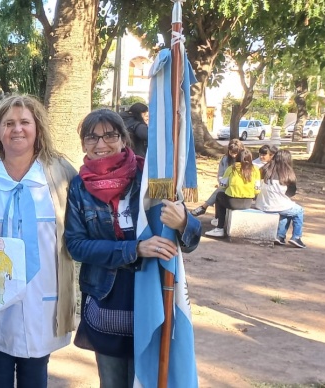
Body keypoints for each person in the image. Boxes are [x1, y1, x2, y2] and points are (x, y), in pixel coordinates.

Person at [64, 109, 201, 387]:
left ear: (124, 139)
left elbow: (190, 239)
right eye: (92, 138)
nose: (101, 145)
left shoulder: (152, 180)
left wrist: (183, 220)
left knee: (150, 378)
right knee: (112, 383)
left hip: (151, 296)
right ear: (83, 145)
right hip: (107, 301)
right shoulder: (79, 187)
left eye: (110, 135)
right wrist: (135, 249)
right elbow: (76, 245)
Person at [0, 95, 76, 387]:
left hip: (44, 292)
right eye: (9, 123)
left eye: (25, 122)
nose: (17, 129)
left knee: (36, 367)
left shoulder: (59, 174)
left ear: (37, 128)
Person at [204, 148, 261, 237]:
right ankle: (219, 224)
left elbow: (222, 185)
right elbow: (257, 189)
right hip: (247, 203)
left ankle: (219, 226)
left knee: (219, 196)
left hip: (233, 202)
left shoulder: (231, 169)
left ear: (237, 158)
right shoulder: (256, 170)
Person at [256, 149, 306, 248]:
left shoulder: (264, 168)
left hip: (261, 204)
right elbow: (291, 193)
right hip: (276, 205)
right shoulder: (288, 173)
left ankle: (280, 236)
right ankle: (296, 237)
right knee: (299, 211)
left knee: (286, 211)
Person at [190, 139, 245, 226]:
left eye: (236, 153)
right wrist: (223, 182)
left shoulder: (244, 160)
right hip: (226, 185)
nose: (234, 155)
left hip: (239, 187)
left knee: (220, 191)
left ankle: (204, 207)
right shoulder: (225, 159)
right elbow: (220, 175)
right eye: (231, 152)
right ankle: (217, 217)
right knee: (220, 191)